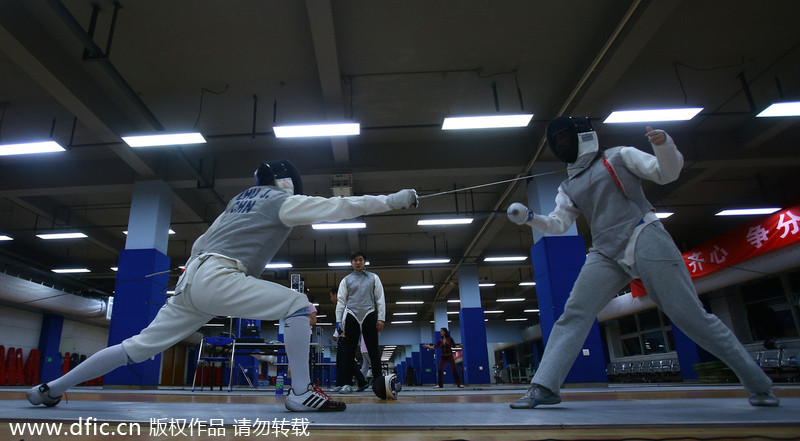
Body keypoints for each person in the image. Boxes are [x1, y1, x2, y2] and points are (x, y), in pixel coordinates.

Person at [27, 159, 418, 412]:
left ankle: (51, 388)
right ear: (285, 183)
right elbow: (338, 208)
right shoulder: (280, 200)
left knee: (136, 347)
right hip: (217, 276)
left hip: (192, 281)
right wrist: (394, 200)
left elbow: (200, 243)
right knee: (298, 303)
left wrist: (193, 271)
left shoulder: (238, 201)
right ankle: (300, 393)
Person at [506, 116, 779, 408]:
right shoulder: (568, 185)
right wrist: (532, 218)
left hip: (643, 234)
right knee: (574, 313)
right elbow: (560, 224)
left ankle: (758, 384)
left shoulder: (619, 155)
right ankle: (545, 387)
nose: (561, 144)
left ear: (582, 135)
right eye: (556, 141)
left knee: (689, 316)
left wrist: (664, 146)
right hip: (605, 252)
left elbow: (665, 173)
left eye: (564, 137)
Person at [334, 251, 385, 394]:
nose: (358, 262)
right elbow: (341, 301)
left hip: (369, 313)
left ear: (364, 261)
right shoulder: (346, 280)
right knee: (349, 352)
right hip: (352, 315)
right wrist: (338, 321)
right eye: (355, 260)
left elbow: (380, 298)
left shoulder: (374, 278)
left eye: (360, 260)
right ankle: (346, 384)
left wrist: (381, 318)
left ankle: (379, 384)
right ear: (352, 263)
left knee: (374, 351)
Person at [329, 287, 368, 393]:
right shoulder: (342, 306)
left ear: (336, 295)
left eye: (331, 296)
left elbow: (344, 322)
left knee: (346, 361)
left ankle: (351, 383)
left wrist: (337, 333)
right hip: (345, 337)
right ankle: (345, 383)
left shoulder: (344, 306)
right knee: (344, 361)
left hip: (345, 337)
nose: (331, 299)